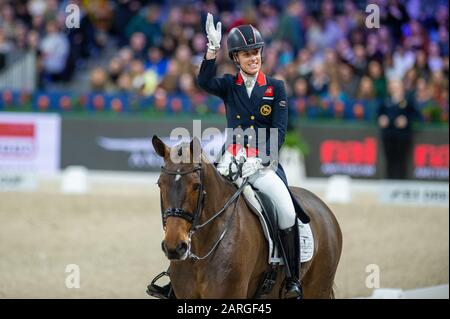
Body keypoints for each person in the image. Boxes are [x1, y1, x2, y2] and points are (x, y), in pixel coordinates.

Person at [147, 13, 309, 299]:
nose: (253, 58)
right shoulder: (228, 85)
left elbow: (279, 132)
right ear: (236, 58)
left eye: (256, 52)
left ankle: (292, 278)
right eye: (247, 54)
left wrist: (261, 160)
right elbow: (203, 81)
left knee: (285, 208)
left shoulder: (276, 88)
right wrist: (211, 51)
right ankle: (178, 281)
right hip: (230, 160)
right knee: (195, 201)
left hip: (263, 164)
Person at [377, 79, 419, 179]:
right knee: (389, 159)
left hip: (402, 136)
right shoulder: (386, 100)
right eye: (393, 86)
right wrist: (381, 118)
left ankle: (401, 181)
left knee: (401, 160)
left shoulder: (408, 100)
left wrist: (406, 120)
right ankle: (389, 180)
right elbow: (379, 113)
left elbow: (416, 115)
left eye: (397, 86)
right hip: (388, 134)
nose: (395, 88)